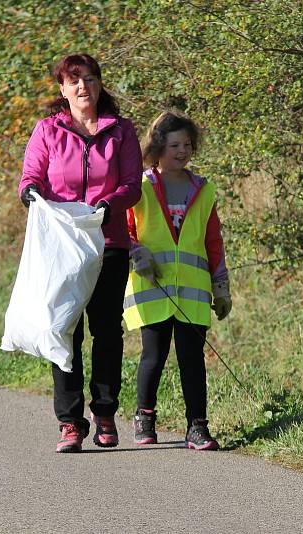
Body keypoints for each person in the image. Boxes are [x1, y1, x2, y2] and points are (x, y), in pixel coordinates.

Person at [18, 53, 142, 453]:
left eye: (89, 79)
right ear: (62, 89)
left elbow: (132, 186)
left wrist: (110, 204)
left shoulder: (121, 131)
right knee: (64, 328)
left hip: (108, 244)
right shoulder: (47, 130)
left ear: (100, 83)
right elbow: (31, 177)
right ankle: (70, 422)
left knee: (106, 329)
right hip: (62, 247)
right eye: (74, 81)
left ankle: (104, 413)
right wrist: (30, 194)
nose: (82, 87)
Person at [123, 111, 232, 451]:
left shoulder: (204, 189)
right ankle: (144, 415)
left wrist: (221, 284)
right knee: (152, 355)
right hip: (151, 286)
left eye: (187, 144)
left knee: (192, 358)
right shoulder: (138, 186)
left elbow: (213, 240)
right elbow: (123, 229)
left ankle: (197, 426)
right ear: (158, 147)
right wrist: (135, 252)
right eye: (174, 145)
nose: (182, 151)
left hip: (193, 290)